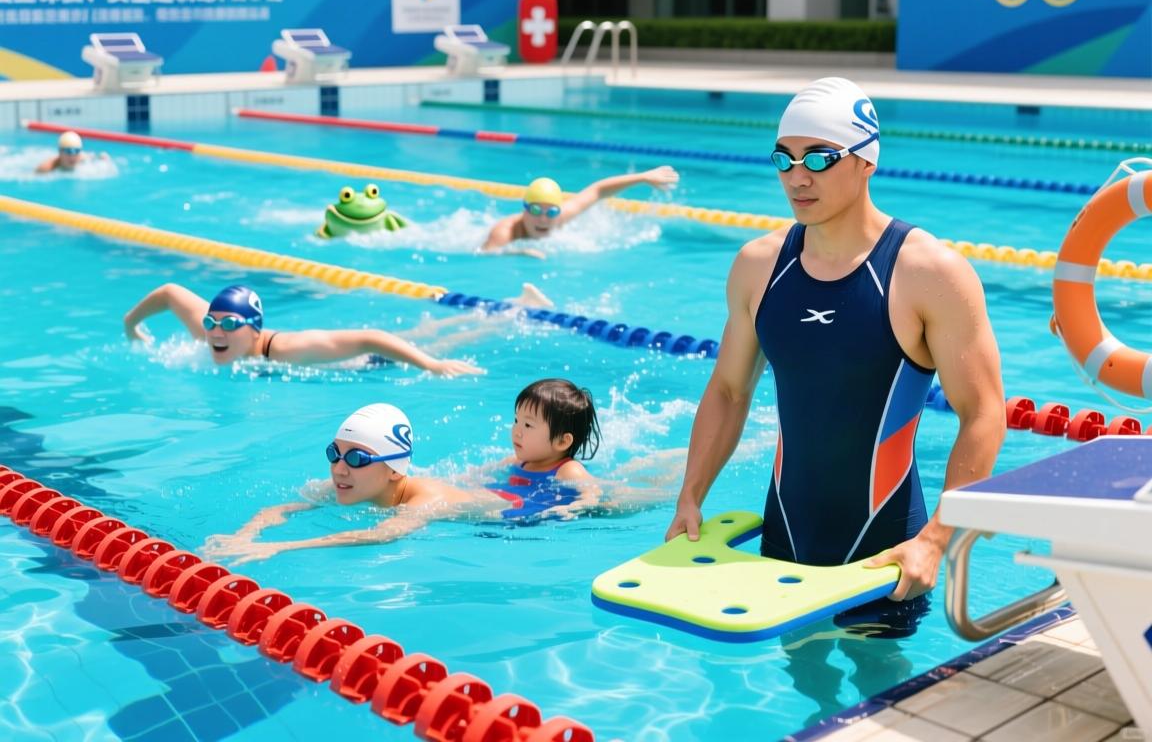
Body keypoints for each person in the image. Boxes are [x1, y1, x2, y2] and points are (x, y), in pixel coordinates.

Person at [664, 77, 1005, 607]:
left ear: (866, 160)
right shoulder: (759, 266)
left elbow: (983, 412)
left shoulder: (927, 272)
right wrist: (690, 497)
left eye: (819, 158)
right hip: (784, 539)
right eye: (785, 159)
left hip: (886, 551)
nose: (797, 178)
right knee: (798, 676)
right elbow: (729, 392)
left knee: (882, 684)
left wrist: (937, 540)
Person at [203, 381, 609, 563]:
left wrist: (278, 548)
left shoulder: (423, 501)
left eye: (358, 459)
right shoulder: (345, 479)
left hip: (518, 518)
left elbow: (381, 534)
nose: (340, 469)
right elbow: (285, 508)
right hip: (504, 489)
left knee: (630, 499)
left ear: (394, 471)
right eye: (334, 453)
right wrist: (245, 536)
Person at [123, 283, 482, 376]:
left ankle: (489, 318)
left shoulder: (287, 349)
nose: (217, 332)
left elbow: (371, 337)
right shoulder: (208, 333)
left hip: (369, 360)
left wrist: (432, 365)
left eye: (230, 324)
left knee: (432, 341)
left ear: (253, 330)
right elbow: (169, 293)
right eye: (211, 322)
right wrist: (131, 324)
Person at [480, 166, 680, 258]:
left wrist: (642, 177)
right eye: (535, 210)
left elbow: (598, 191)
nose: (543, 218)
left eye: (550, 212)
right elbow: (485, 255)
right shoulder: (504, 232)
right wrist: (518, 253)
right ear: (524, 210)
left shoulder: (560, 217)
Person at [36, 131, 107, 173]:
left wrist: (101, 157)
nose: (72, 156)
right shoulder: (46, 168)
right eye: (68, 151)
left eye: (76, 151)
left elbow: (94, 157)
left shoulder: (82, 157)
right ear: (60, 152)